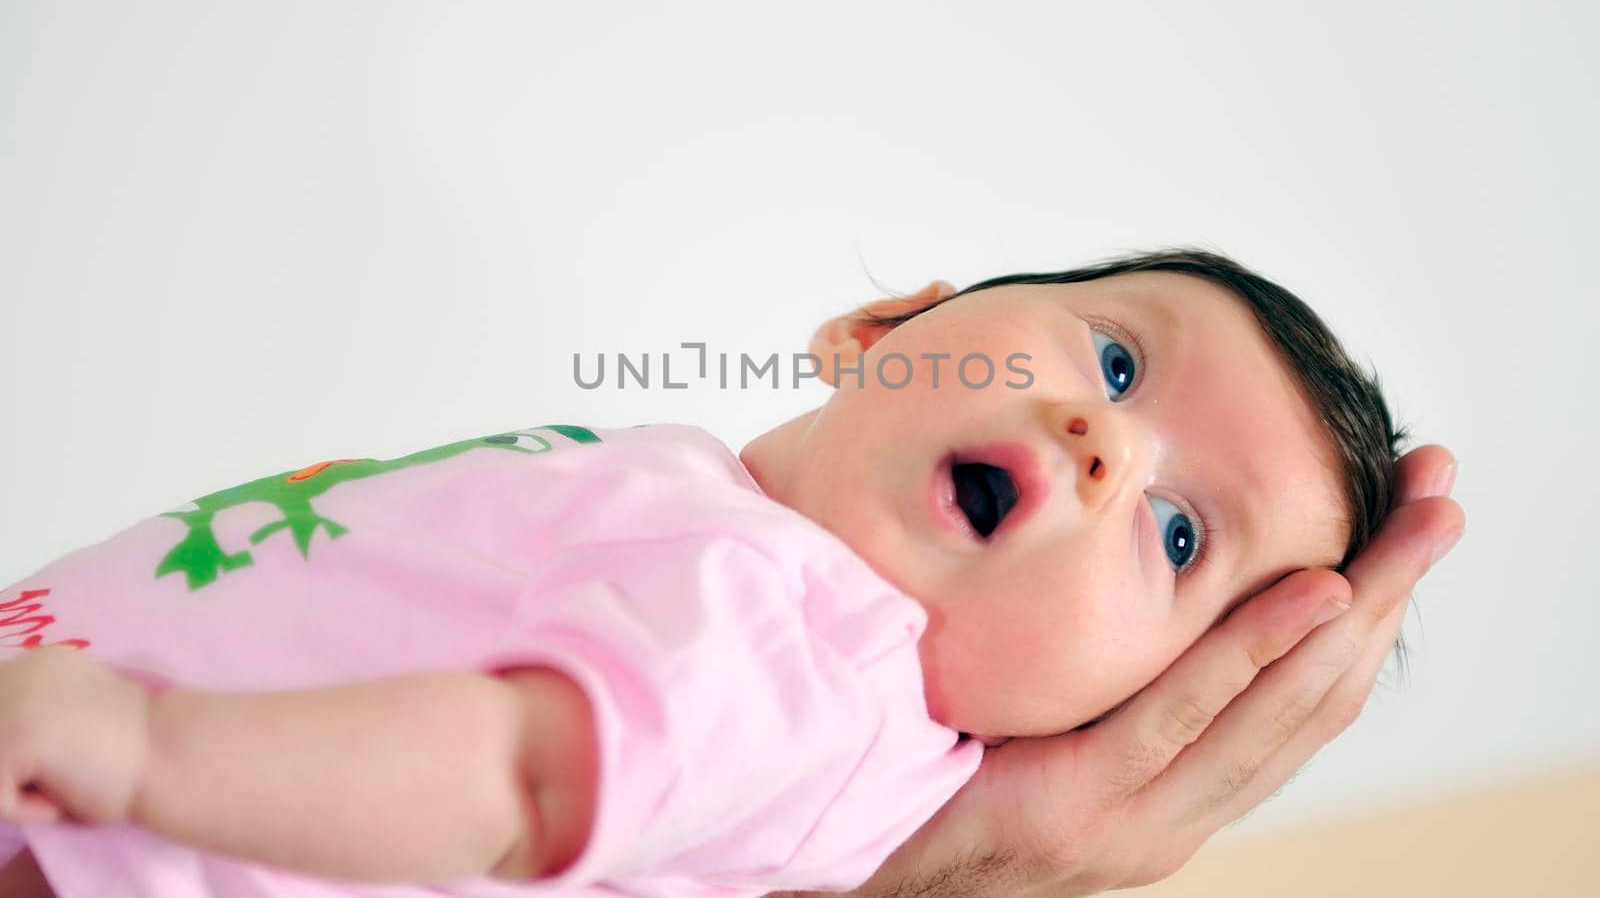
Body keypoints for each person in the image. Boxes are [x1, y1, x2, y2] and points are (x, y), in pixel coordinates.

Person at [0, 248, 1466, 897]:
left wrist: (135, 745)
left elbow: (520, 776)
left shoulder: (807, 662)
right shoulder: (731, 537)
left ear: (1101, 713)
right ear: (890, 324)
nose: (1105, 448)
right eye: (1120, 359)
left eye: (1181, 535)